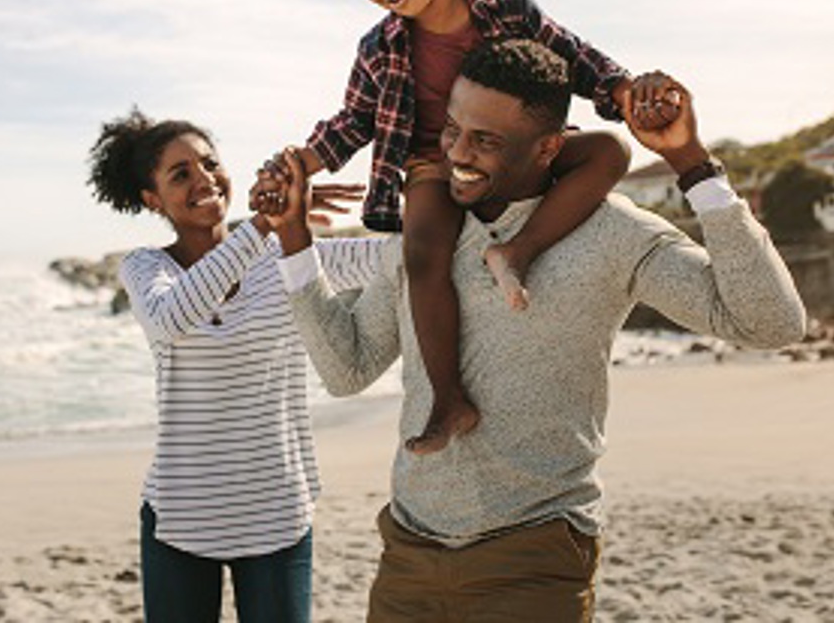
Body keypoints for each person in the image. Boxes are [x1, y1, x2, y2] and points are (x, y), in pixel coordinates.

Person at [264, 39, 805, 622]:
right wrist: (294, 237)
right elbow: (347, 370)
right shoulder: (422, 239)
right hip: (409, 554)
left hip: (535, 556)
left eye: (486, 141)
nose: (457, 154)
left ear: (549, 147)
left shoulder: (611, 234)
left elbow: (770, 322)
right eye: (452, 130)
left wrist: (691, 162)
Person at [255, 0, 678, 455]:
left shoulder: (504, 4)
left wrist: (625, 91)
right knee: (422, 252)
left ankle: (518, 250)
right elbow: (354, 120)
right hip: (434, 164)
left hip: (512, 153)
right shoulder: (378, 47)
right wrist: (302, 162)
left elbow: (573, 55)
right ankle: (449, 400)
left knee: (610, 152)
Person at [87, 109, 381, 623]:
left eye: (209, 163)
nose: (204, 179)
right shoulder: (146, 268)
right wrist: (264, 224)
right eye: (181, 174)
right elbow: (172, 316)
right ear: (153, 199)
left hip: (278, 513)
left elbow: (399, 259)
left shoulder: (289, 255)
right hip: (182, 517)